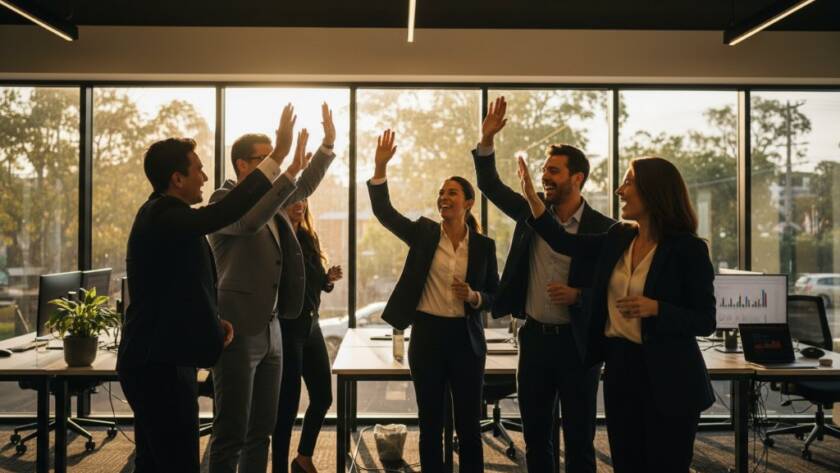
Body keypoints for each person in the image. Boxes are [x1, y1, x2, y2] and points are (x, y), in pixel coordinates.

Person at [116, 103, 297, 473]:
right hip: (157, 363)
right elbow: (227, 212)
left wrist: (213, 321)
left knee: (156, 462)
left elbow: (181, 286)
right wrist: (277, 156)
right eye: (197, 169)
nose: (204, 176)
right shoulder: (163, 215)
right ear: (176, 179)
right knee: (177, 462)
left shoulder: (171, 218)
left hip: (164, 357)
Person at [518, 155, 717, 473]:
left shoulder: (688, 249)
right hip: (621, 368)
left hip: (670, 377)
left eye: (627, 182)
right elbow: (562, 241)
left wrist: (657, 308)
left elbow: (706, 320)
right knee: (626, 463)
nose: (619, 190)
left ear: (653, 191)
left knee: (665, 465)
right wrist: (531, 197)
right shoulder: (620, 236)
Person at [473, 96, 614, 473]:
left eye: (554, 170)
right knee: (537, 441)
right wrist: (486, 140)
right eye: (544, 170)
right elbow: (488, 183)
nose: (545, 177)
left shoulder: (605, 228)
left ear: (577, 178)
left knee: (581, 441)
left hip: (578, 344)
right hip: (534, 340)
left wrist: (579, 295)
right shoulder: (529, 212)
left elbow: (615, 290)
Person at [208, 103, 337, 473]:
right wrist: (289, 166)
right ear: (242, 165)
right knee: (232, 430)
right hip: (237, 330)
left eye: (273, 158)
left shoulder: (273, 201)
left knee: (261, 432)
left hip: (274, 328)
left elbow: (303, 187)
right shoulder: (223, 200)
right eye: (264, 158)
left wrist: (327, 146)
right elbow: (250, 222)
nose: (272, 165)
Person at [367, 129, 499, 473]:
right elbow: (385, 212)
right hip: (427, 336)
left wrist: (473, 296)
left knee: (469, 427)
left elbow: (495, 296)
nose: (443, 197)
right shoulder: (424, 233)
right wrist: (380, 167)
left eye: (451, 192)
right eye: (440, 193)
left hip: (466, 340)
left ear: (467, 202)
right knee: (430, 424)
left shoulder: (484, 247)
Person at [273, 198, 342, 473]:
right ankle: (279, 467)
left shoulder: (308, 237)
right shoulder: (278, 239)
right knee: (286, 409)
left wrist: (327, 279)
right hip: (288, 329)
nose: (298, 205)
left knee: (323, 397)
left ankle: (303, 458)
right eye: (291, 200)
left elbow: (312, 283)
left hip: (312, 327)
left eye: (302, 200)